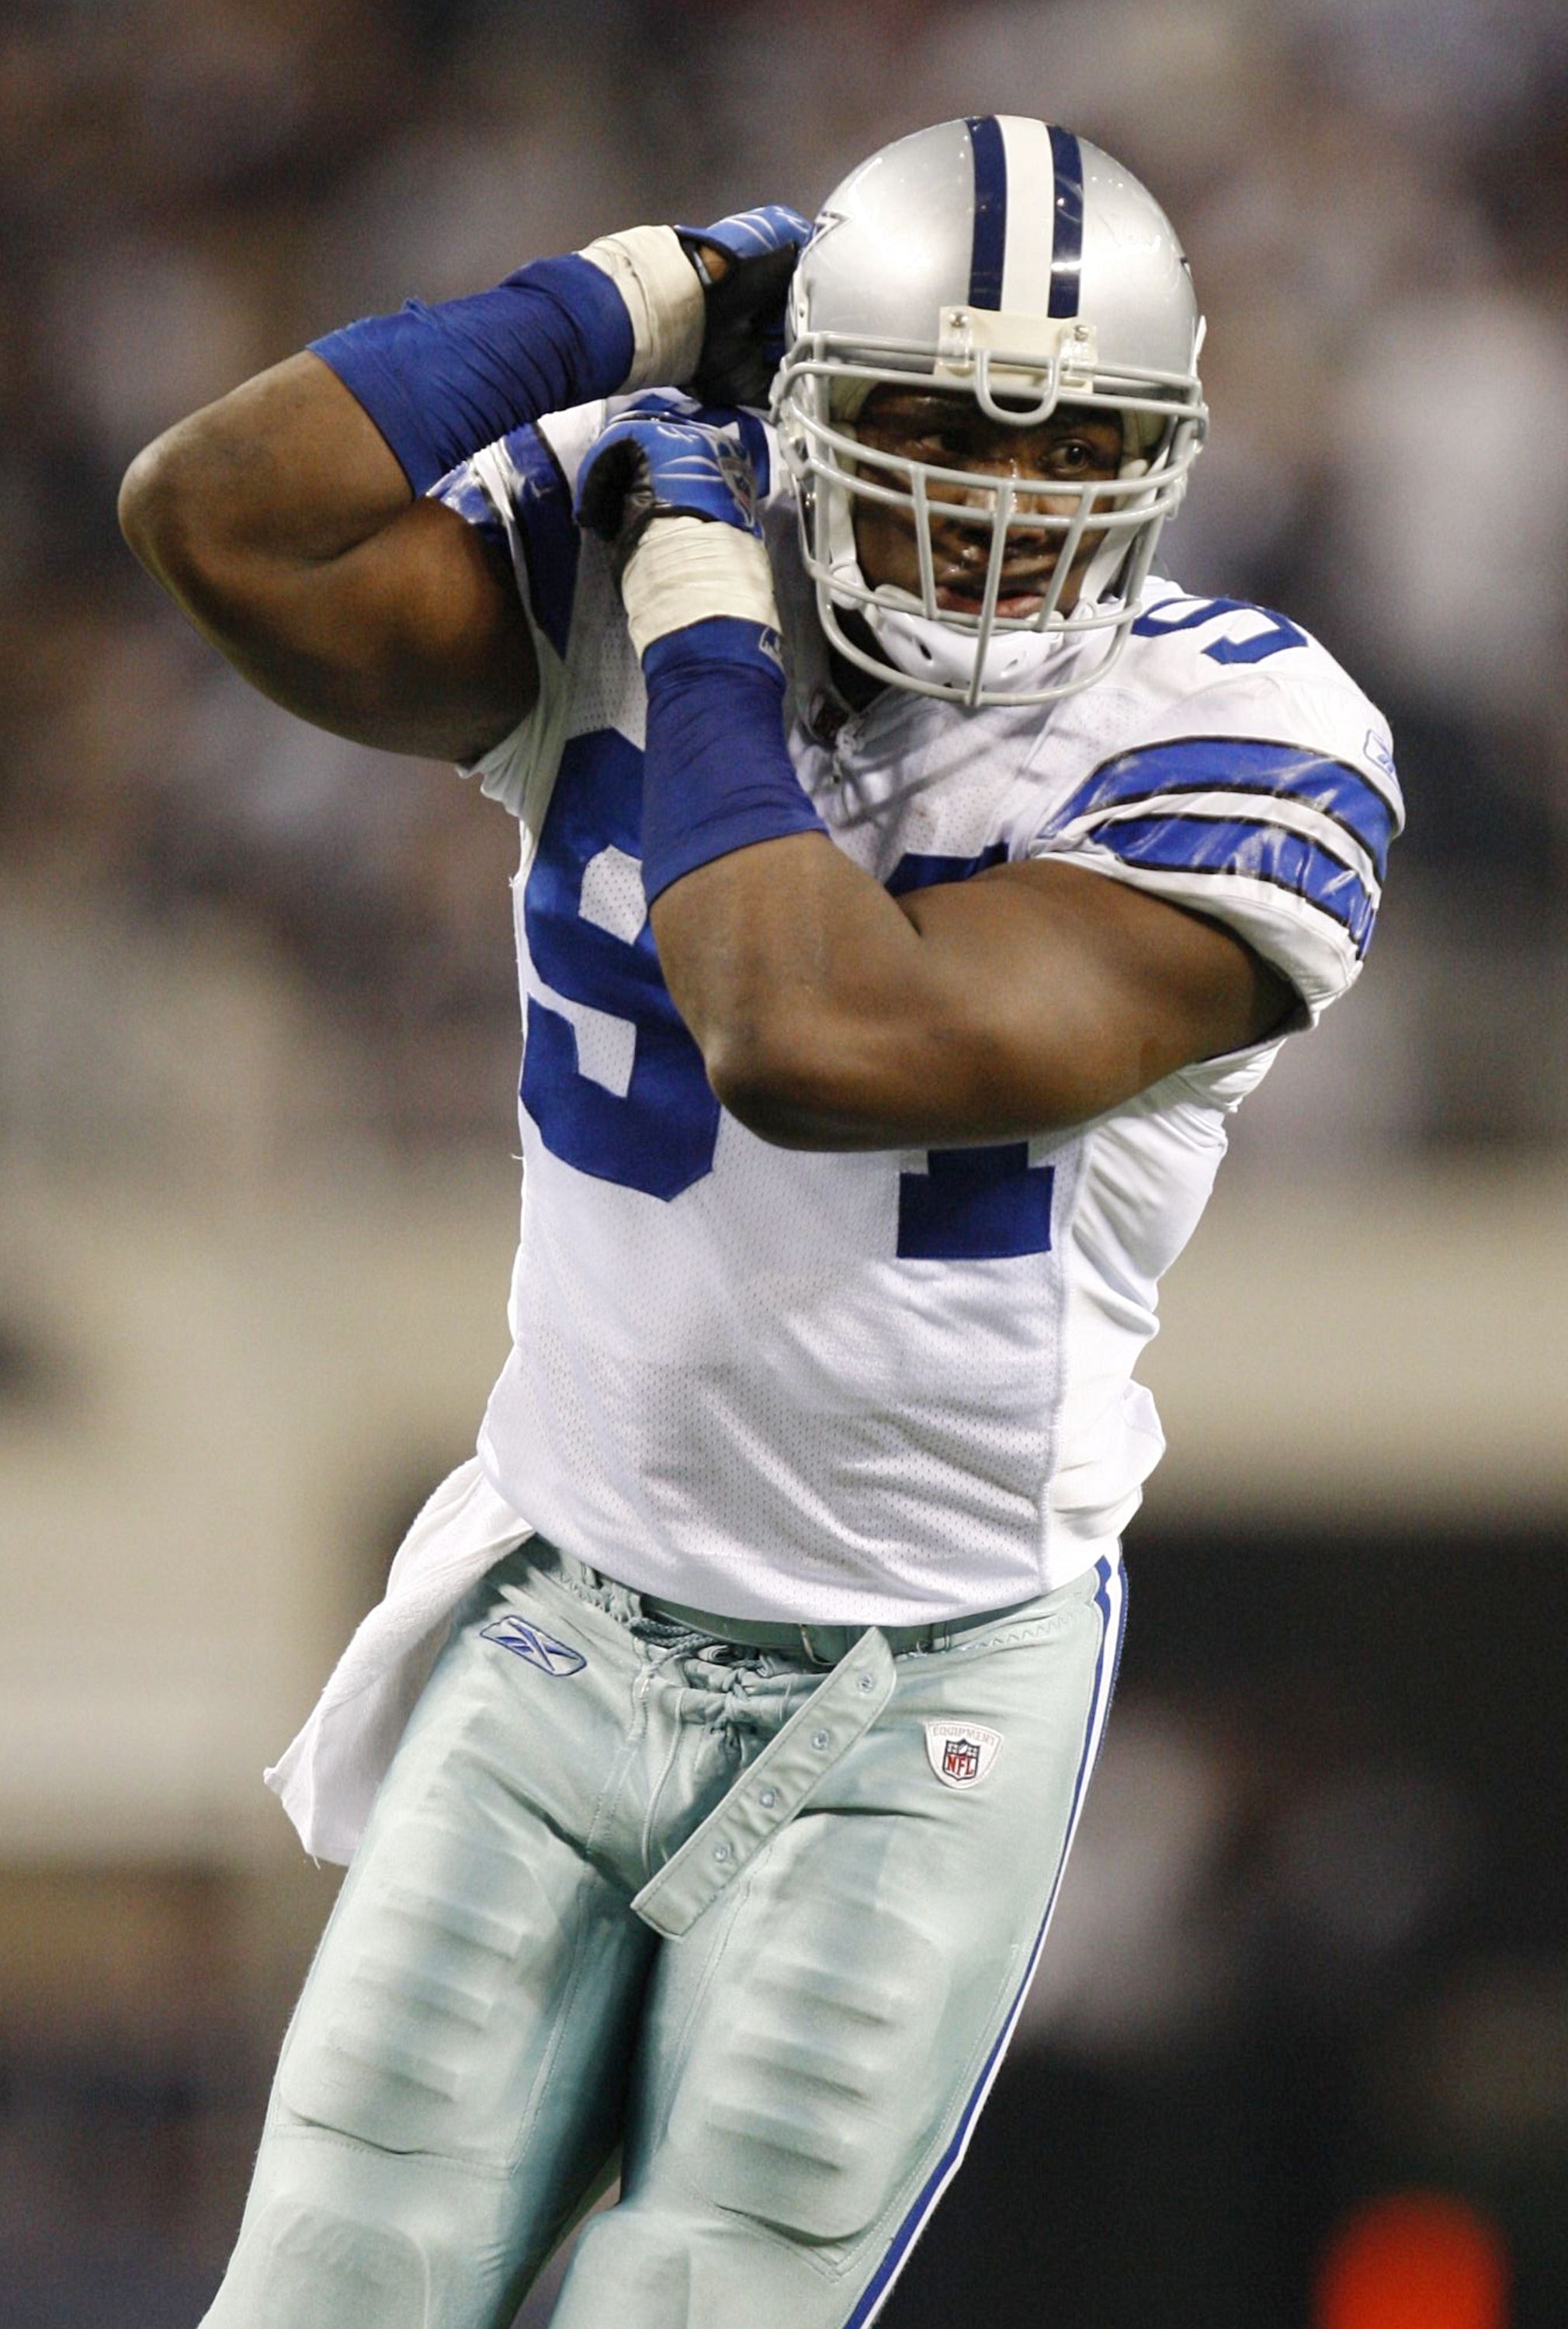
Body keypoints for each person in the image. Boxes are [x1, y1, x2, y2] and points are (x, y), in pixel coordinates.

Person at [120, 114, 1401, 2329]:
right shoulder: (652, 509)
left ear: (1167, 454)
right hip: (572, 1599)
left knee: (694, 2309)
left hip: (924, 1680)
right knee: (332, 2283)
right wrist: (631, 295)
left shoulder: (1242, 726)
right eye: (925, 419)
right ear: (797, 398)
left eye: (1066, 444)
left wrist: (697, 635)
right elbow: (220, 519)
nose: (998, 505)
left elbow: (816, 1037)